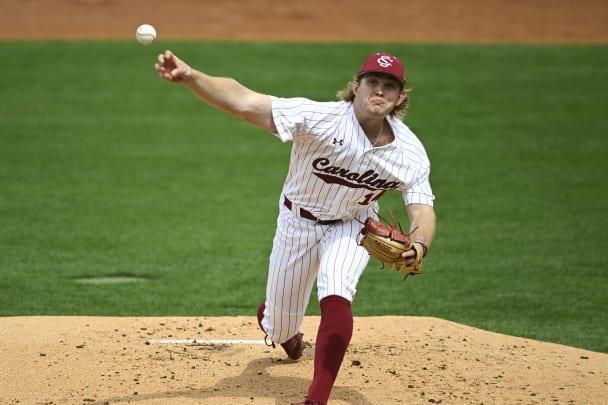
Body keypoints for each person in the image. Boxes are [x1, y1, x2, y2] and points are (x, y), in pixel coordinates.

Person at [155, 49, 436, 405]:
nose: (379, 91)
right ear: (357, 86)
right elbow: (243, 102)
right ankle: (277, 324)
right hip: (297, 223)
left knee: (336, 292)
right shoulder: (319, 119)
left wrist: (420, 244)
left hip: (354, 225)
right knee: (280, 326)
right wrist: (192, 76)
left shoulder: (409, 152)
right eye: (373, 82)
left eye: (389, 86)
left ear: (399, 98)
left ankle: (316, 398)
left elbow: (422, 208)